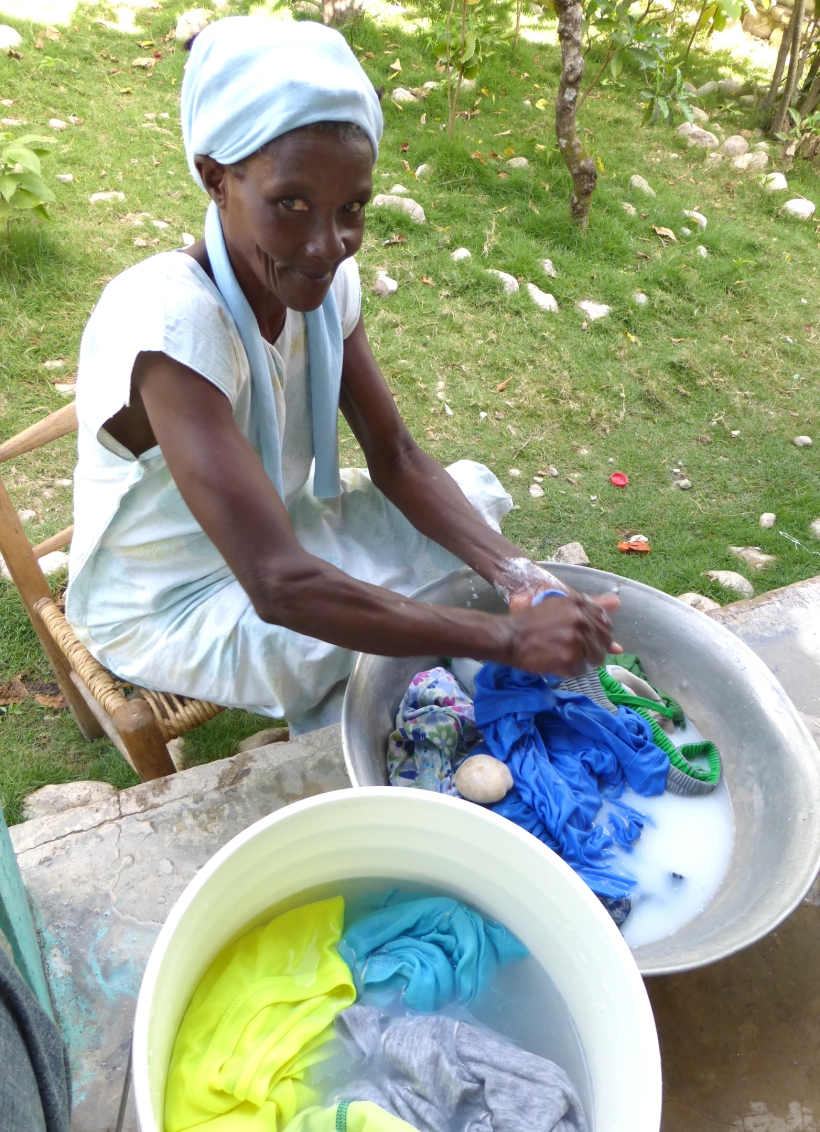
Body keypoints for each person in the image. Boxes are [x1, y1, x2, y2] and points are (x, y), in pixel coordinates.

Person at [66, 16, 619, 735]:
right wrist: (507, 637)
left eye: (351, 209)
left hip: (281, 524)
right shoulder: (173, 327)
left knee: (473, 505)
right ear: (215, 178)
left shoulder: (326, 286)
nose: (327, 246)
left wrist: (527, 582)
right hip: (174, 595)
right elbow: (276, 584)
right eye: (291, 204)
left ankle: (425, 675)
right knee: (358, 640)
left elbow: (398, 459)